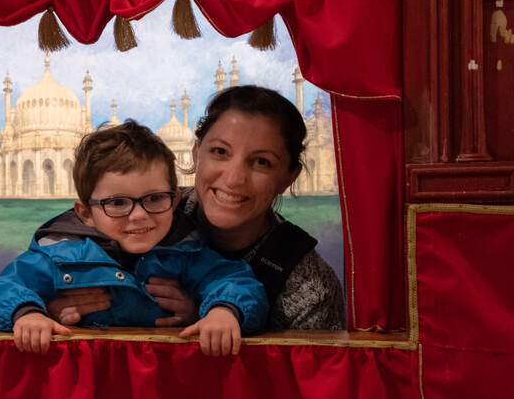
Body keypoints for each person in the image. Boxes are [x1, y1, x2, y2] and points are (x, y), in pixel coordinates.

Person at [48, 85, 347, 331]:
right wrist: (47, 304)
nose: (234, 179)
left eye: (262, 162)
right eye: (220, 151)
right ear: (196, 153)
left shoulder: (309, 289)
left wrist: (204, 315)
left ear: (289, 177)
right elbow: (51, 254)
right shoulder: (153, 208)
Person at [0, 120, 268, 356]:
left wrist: (224, 311)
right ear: (85, 213)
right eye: (117, 203)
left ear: (175, 200)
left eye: (154, 198)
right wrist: (27, 313)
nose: (139, 215)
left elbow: (238, 281)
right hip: (88, 378)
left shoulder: (185, 251)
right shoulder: (62, 254)